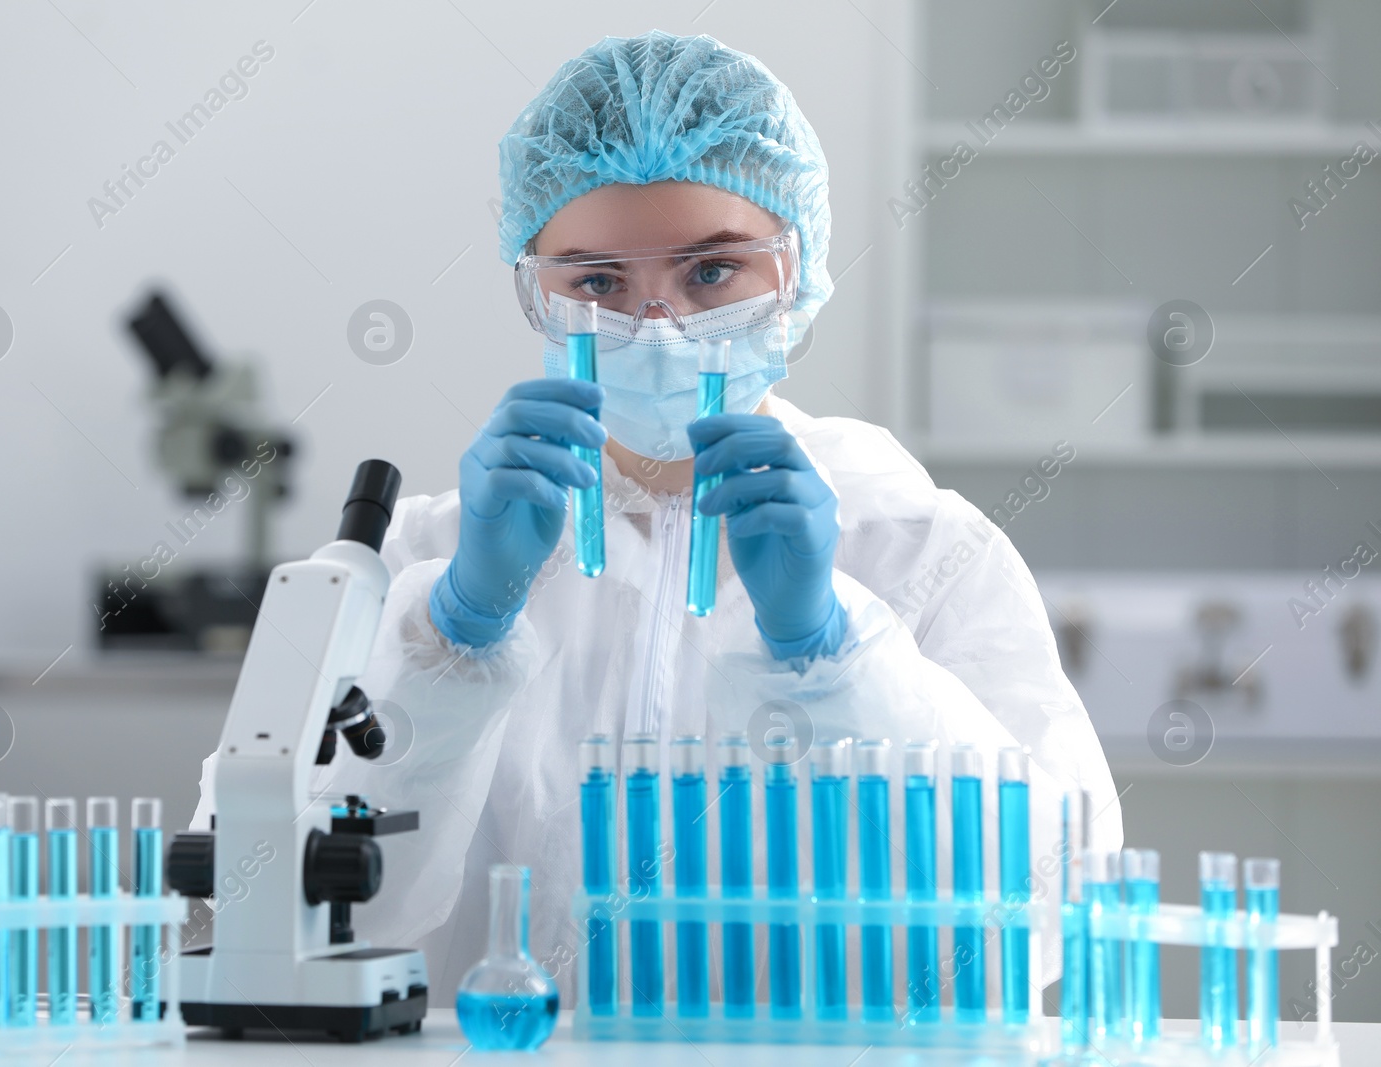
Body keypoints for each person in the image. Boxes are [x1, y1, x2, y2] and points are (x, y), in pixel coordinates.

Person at [193, 29, 1120, 1006]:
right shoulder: (424, 557)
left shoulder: (922, 549)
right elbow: (251, 904)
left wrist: (836, 653)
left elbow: (1048, 913)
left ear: (794, 268)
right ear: (535, 293)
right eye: (596, 283)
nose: (660, 327)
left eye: (712, 272)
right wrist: (451, 637)